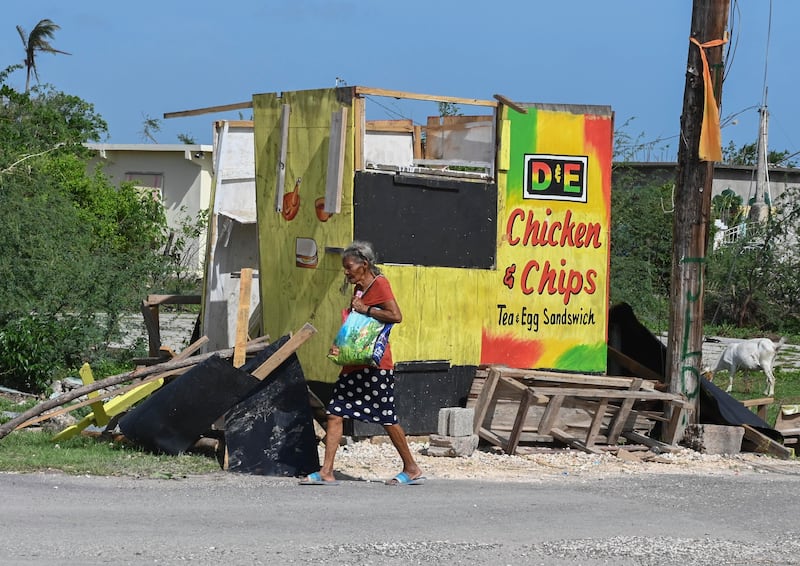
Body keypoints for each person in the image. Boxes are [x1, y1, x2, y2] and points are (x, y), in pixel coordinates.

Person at [301, 241, 425, 486]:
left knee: (387, 417)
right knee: (335, 412)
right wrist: (341, 346)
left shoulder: (379, 284)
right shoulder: (358, 289)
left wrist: (367, 309)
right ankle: (326, 471)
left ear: (364, 265)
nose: (346, 272)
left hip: (376, 366)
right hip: (354, 363)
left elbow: (395, 316)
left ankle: (411, 467)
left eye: (349, 267)